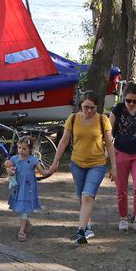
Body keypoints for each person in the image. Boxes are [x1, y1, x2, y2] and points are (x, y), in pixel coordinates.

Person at [45, 92, 114, 245]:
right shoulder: (73, 118)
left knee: (87, 196)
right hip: (77, 163)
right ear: (80, 106)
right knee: (81, 196)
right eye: (85, 107)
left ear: (97, 107)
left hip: (97, 164)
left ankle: (80, 230)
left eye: (92, 108)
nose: (89, 111)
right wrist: (55, 162)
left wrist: (113, 167)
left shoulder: (103, 120)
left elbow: (109, 144)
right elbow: (64, 141)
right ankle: (87, 225)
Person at [109, 83, 136, 234]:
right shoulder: (118, 109)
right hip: (121, 151)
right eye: (128, 101)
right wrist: (109, 155)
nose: (131, 104)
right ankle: (122, 218)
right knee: (121, 188)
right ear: (123, 98)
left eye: (135, 101)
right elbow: (108, 130)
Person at [5, 136, 42, 242]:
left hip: (28, 188)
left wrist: (52, 169)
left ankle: (21, 231)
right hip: (18, 187)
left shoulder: (33, 160)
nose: (21, 150)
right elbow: (10, 173)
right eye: (19, 148)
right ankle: (27, 223)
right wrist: (9, 168)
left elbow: (43, 172)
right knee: (21, 208)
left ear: (30, 149)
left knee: (24, 209)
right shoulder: (14, 159)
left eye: (24, 148)